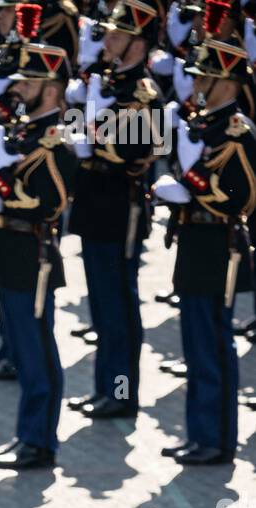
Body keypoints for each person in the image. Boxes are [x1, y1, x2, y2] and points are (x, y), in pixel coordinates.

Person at [0, 1, 76, 468]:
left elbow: (52, 202)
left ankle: (39, 441)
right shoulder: (22, 130)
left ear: (51, 88)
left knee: (36, 350)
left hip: (32, 250)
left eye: (28, 82)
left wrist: (3, 196)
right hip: (8, 248)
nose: (18, 88)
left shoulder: (55, 137)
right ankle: (26, 435)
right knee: (20, 342)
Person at [154, 0, 256, 463]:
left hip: (219, 243)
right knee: (195, 342)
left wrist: (193, 191)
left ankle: (216, 439)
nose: (195, 83)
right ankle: (200, 433)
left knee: (213, 340)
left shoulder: (236, 130)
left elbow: (246, 198)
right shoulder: (201, 124)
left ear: (225, 81)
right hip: (193, 241)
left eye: (202, 77)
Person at [67, 0, 162, 420]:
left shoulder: (141, 93)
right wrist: (78, 115)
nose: (107, 39)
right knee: (102, 307)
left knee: (119, 307)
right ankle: (106, 387)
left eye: (118, 35)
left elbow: (134, 151)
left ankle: (122, 393)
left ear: (138, 44)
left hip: (120, 208)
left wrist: (92, 123)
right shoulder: (104, 83)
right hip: (93, 203)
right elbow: (75, 138)